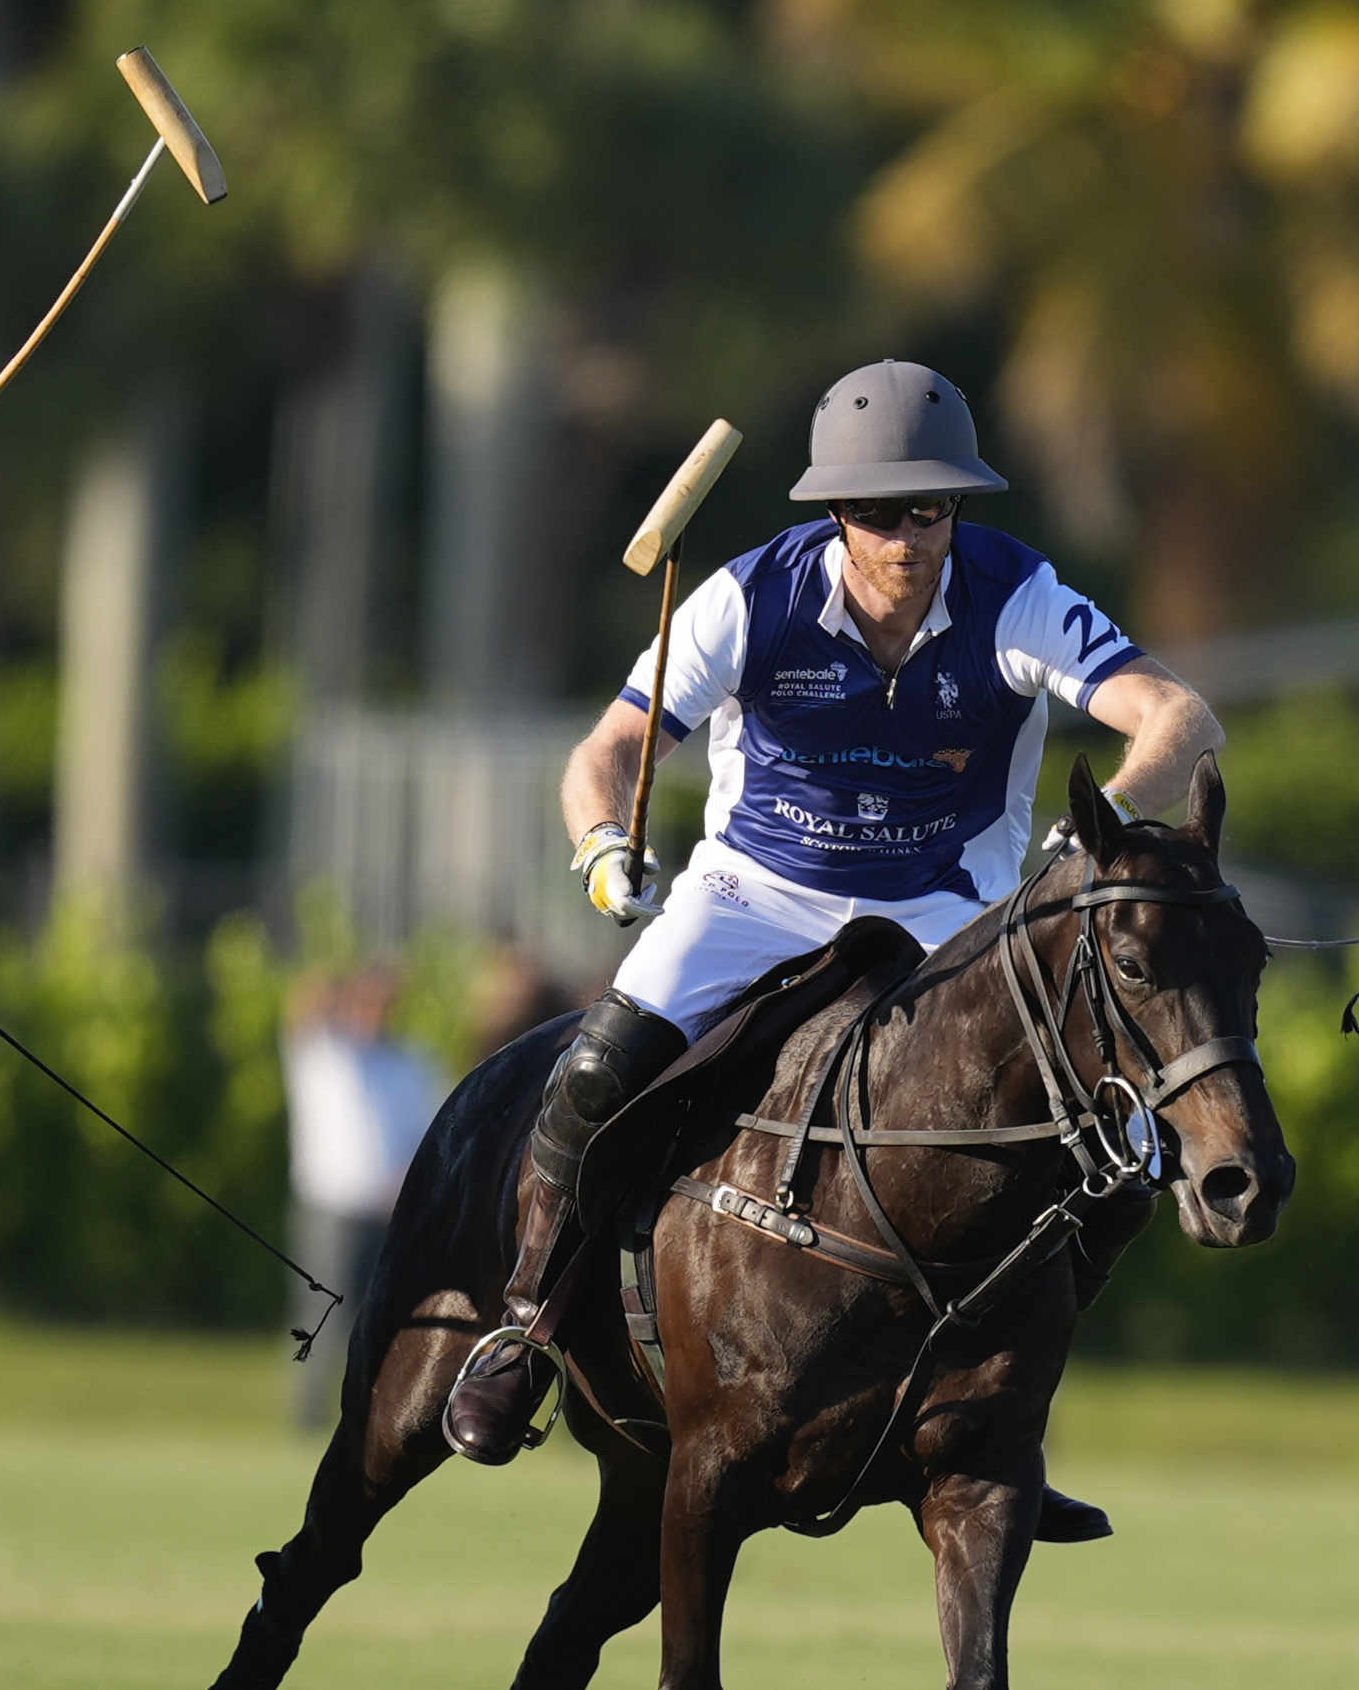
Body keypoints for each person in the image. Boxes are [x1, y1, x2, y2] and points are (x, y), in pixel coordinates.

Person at [435, 360, 1226, 1519]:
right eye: (877, 511)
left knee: (1114, 1154)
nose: (907, 536)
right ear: (833, 514)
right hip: (756, 889)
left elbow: (1179, 715)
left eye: (931, 507)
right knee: (596, 1071)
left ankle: (1007, 1422)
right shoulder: (745, 600)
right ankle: (524, 1328)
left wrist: (1110, 807)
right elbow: (606, 748)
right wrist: (604, 842)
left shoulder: (1019, 596)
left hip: (942, 907)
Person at [286, 961, 447, 1425]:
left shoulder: (408, 1061)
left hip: (387, 1214)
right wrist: (345, 985)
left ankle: (367, 1411)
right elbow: (304, 1000)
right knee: (321, 1315)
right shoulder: (325, 1053)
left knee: (382, 1317)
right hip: (331, 1209)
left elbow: (424, 1135)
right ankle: (308, 1417)